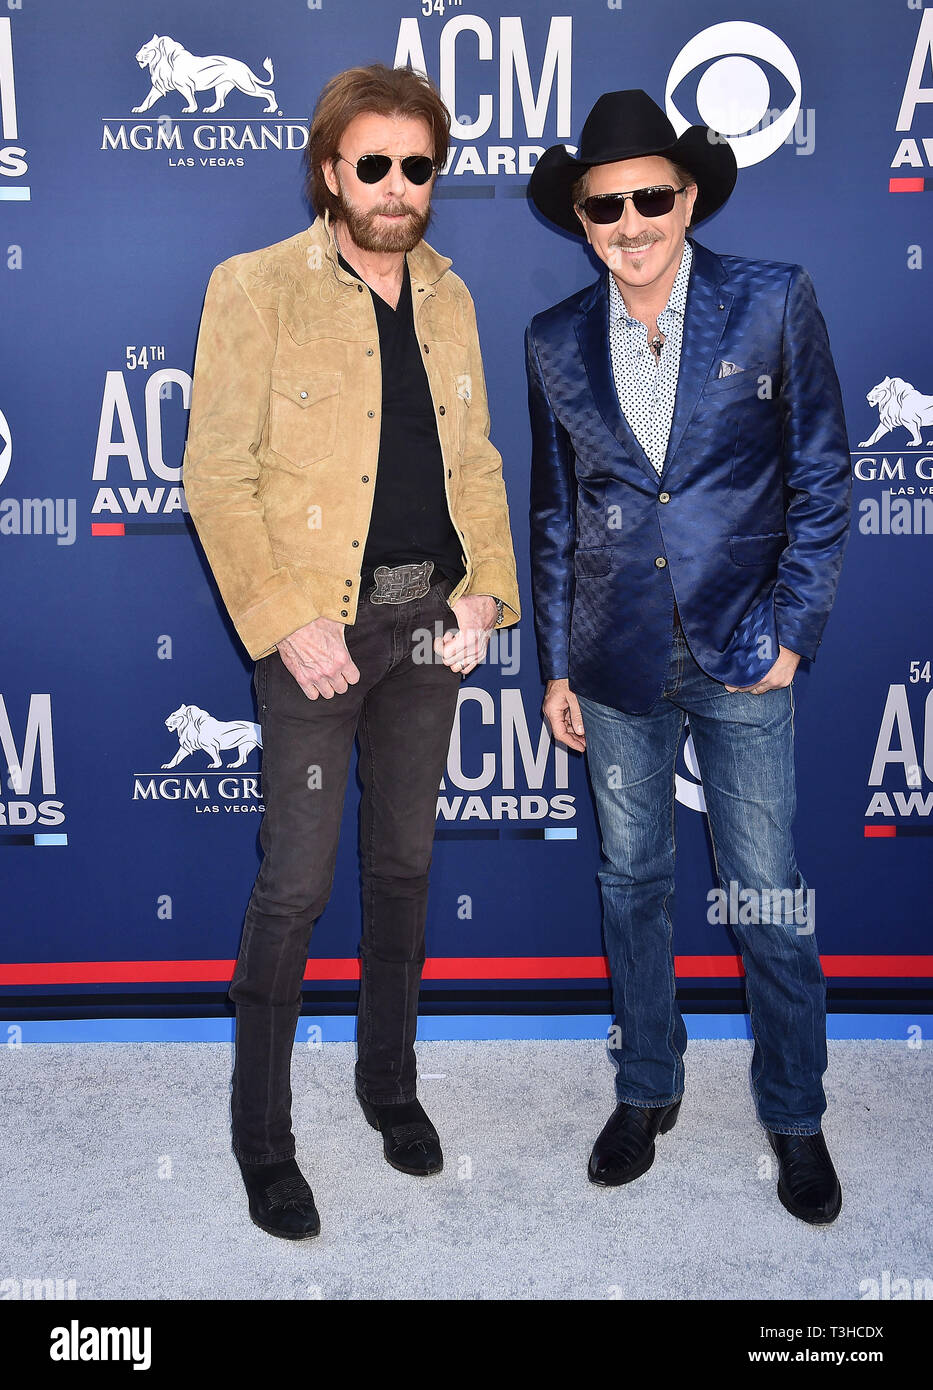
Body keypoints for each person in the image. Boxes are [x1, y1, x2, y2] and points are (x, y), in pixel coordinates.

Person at [183, 62, 519, 1240]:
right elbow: (214, 477)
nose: (394, 187)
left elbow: (474, 463)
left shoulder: (453, 295)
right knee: (296, 884)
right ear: (331, 169)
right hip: (315, 630)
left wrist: (490, 595)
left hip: (432, 627)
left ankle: (388, 1085)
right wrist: (285, 621)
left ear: (435, 176)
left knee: (404, 871)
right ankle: (259, 1136)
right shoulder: (257, 287)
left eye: (416, 166)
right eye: (370, 164)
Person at [525, 90, 850, 1223]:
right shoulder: (554, 338)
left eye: (650, 196)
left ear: (690, 195)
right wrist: (560, 663)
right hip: (614, 660)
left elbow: (823, 476)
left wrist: (794, 634)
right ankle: (647, 1085)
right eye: (605, 204)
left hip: (741, 651)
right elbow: (559, 513)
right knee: (633, 885)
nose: (631, 221)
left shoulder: (773, 301)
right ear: (580, 216)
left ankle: (796, 1112)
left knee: (769, 891)